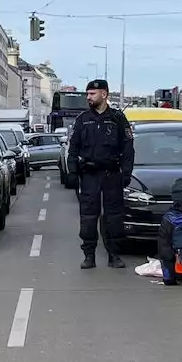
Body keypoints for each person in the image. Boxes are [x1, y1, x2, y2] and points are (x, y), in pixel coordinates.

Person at [67, 78, 135, 269]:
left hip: (111, 175)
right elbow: (73, 148)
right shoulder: (83, 120)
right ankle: (89, 255)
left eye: (92, 94)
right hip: (89, 175)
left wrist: (126, 173)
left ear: (104, 94)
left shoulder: (117, 118)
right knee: (88, 217)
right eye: (87, 94)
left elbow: (128, 148)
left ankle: (114, 255)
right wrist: (73, 172)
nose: (88, 97)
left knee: (113, 216)